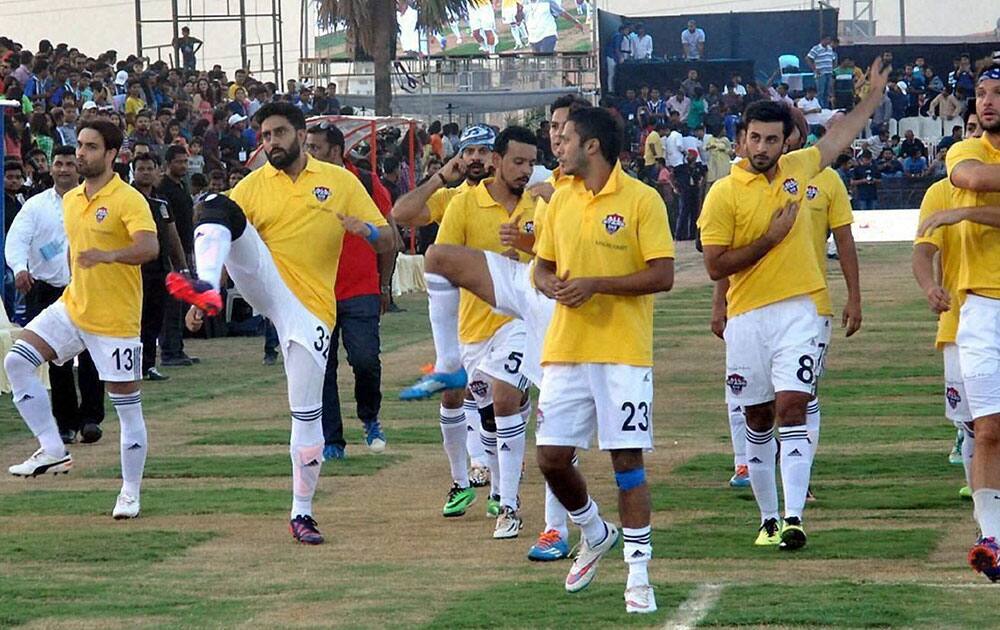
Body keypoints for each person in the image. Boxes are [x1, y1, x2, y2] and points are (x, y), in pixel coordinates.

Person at [166, 102, 394, 545]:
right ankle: (205, 287)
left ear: (299, 133)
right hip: (266, 283)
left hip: (310, 309)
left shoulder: (339, 181)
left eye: (278, 134)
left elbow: (389, 237)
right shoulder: (253, 185)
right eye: (264, 136)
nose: (271, 143)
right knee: (217, 205)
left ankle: (301, 513)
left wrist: (363, 231)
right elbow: (230, 238)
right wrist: (202, 298)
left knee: (306, 415)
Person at [697, 59, 888, 550]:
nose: (762, 148)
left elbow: (840, 134)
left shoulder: (803, 169)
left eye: (771, 140)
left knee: (792, 407)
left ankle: (796, 516)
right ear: (742, 138)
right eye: (754, 138)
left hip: (802, 310)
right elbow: (716, 266)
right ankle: (768, 518)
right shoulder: (721, 194)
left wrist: (872, 96)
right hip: (746, 318)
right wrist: (770, 237)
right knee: (757, 418)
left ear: (787, 144)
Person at [532, 106, 674, 613]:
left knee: (626, 462)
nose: (558, 145)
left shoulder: (642, 199)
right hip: (565, 350)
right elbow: (542, 266)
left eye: (566, 137)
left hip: (622, 353)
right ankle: (594, 530)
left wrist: (597, 285)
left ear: (592, 146)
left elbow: (662, 274)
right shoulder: (560, 199)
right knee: (550, 456)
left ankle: (639, 577)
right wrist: (548, 282)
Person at [5, 120, 159, 522]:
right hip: (74, 306)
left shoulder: (128, 199)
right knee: (17, 360)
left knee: (128, 410)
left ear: (111, 154)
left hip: (115, 319)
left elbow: (149, 246)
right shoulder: (72, 200)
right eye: (80, 146)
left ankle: (130, 492)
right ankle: (53, 448)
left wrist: (108, 256)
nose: (81, 154)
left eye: (91, 147)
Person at [392, 124, 501, 496]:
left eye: (482, 151)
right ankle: (470, 472)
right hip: (460, 310)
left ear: (495, 157)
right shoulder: (451, 197)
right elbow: (401, 212)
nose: (474, 158)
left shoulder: (513, 196)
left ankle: (496, 472)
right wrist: (439, 177)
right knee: (458, 390)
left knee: (496, 393)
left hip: (503, 310)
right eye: (468, 151)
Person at [302, 122, 396, 460]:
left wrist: (384, 283)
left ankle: (370, 417)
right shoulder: (303, 182)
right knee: (322, 367)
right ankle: (332, 440)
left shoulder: (366, 182)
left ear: (336, 151)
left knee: (365, 359)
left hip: (361, 289)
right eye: (307, 146)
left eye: (315, 147)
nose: (308, 153)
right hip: (316, 291)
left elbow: (390, 238)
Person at [5, 146, 105, 445]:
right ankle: (65, 423)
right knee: (56, 360)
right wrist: (20, 269)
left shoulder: (94, 202)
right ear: (50, 168)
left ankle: (90, 419)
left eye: (70, 164)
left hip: (87, 287)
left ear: (79, 167)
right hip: (47, 290)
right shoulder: (35, 206)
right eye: (59, 164)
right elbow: (17, 240)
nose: (64, 169)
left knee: (91, 355)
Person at [911, 110, 984, 505]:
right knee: (974, 425)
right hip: (959, 320)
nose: (970, 138)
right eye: (967, 130)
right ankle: (985, 519)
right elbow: (923, 251)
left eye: (976, 131)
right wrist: (929, 287)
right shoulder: (939, 193)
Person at [130, 153, 188, 382]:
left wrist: (182, 266)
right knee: (136, 319)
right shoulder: (127, 198)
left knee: (155, 318)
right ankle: (131, 365)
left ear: (157, 171)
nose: (145, 172)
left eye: (149, 168)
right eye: (141, 168)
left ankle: (148, 365)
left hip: (160, 268)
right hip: (134, 269)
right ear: (134, 172)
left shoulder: (162, 202)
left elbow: (172, 235)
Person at [156, 145, 198, 367]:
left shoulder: (181, 186)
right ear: (168, 164)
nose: (183, 166)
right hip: (173, 252)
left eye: (185, 162)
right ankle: (169, 352)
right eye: (179, 162)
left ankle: (178, 348)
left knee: (180, 302)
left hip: (186, 247)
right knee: (171, 304)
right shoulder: (164, 189)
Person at [806, 35, 837, 108]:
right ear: (823, 40)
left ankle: (825, 107)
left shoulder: (830, 48)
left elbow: (833, 59)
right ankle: (820, 107)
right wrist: (814, 69)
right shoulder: (816, 48)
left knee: (827, 92)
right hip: (821, 74)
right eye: (827, 40)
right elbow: (808, 58)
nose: (829, 42)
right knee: (821, 92)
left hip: (829, 73)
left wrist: (832, 68)